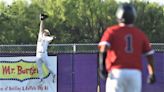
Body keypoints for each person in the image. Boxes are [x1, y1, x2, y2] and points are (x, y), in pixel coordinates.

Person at [98, 3, 156, 92]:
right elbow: (149, 55)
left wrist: (102, 67)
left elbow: (104, 46)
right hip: (134, 73)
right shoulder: (140, 34)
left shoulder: (112, 31)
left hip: (117, 72)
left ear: (118, 16)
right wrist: (152, 73)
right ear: (133, 17)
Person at [36, 13, 56, 83]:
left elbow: (50, 38)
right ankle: (41, 79)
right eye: (44, 32)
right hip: (38, 54)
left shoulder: (47, 38)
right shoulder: (40, 37)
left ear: (47, 34)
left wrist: (52, 37)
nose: (44, 32)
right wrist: (42, 20)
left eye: (45, 32)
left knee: (48, 67)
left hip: (44, 54)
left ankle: (54, 75)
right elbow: (41, 29)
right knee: (39, 68)